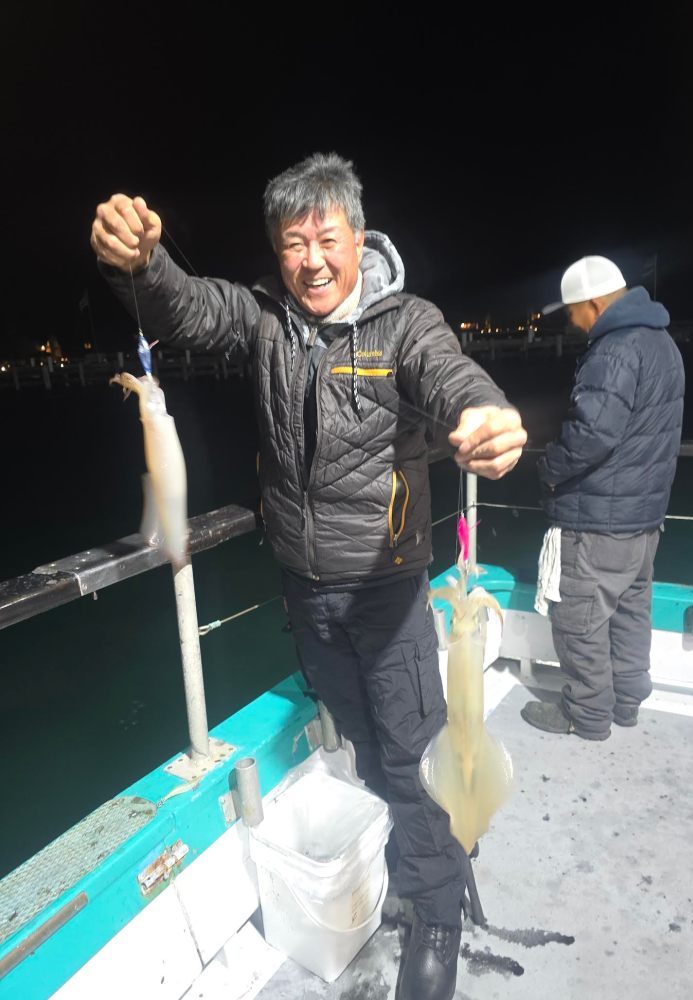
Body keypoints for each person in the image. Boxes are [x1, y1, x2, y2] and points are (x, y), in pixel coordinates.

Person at [90, 153, 527, 1000]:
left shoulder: (406, 325)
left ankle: (434, 914)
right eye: (293, 243)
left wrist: (487, 414)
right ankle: (428, 864)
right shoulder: (263, 320)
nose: (312, 260)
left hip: (390, 594)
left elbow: (452, 377)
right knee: (367, 749)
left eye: (327, 238)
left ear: (360, 238)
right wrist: (139, 263)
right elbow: (184, 307)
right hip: (305, 592)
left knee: (412, 762)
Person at [522, 255, 684, 742]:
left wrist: (548, 469)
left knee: (579, 619)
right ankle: (627, 700)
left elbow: (592, 434)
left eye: (573, 311)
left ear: (595, 304)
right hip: (644, 519)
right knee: (631, 610)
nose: (571, 322)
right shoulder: (663, 344)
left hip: (598, 520)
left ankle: (586, 715)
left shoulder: (614, 350)